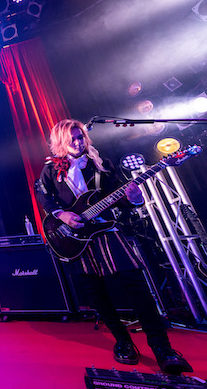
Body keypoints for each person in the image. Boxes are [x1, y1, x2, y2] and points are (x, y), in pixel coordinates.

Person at [36, 119, 192, 375]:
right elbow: (43, 196)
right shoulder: (50, 170)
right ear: (60, 141)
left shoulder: (101, 164)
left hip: (107, 231)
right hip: (76, 238)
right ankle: (123, 342)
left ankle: (163, 348)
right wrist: (62, 215)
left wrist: (135, 199)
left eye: (80, 137)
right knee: (95, 293)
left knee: (136, 286)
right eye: (72, 138)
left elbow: (121, 199)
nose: (78, 142)